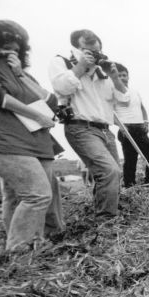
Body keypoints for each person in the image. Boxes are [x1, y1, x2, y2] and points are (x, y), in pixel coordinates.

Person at [0, 20, 65, 253]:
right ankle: (18, 252)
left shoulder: (20, 73)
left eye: (15, 48)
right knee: (37, 195)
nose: (10, 52)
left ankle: (35, 243)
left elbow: (52, 102)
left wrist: (20, 75)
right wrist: (36, 114)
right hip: (4, 138)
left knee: (18, 196)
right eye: (5, 47)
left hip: (37, 140)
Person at [48, 28, 128, 217]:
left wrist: (115, 77)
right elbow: (62, 87)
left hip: (104, 130)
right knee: (109, 172)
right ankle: (106, 221)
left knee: (113, 173)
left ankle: (103, 211)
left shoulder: (102, 72)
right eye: (89, 51)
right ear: (77, 49)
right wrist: (80, 67)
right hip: (80, 127)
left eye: (97, 51)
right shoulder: (62, 62)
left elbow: (123, 100)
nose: (95, 56)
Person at [112, 62, 149, 187]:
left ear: (128, 77)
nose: (122, 78)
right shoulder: (113, 92)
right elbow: (110, 113)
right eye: (119, 76)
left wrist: (146, 122)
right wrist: (121, 126)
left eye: (124, 75)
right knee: (130, 159)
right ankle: (129, 184)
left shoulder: (134, 92)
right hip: (126, 128)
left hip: (140, 127)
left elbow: (142, 108)